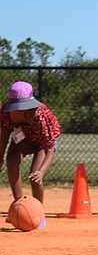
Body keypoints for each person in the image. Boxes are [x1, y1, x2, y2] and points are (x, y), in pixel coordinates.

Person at [1, 82, 60, 216]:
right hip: (24, 137)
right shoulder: (7, 113)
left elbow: (49, 150)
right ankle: (18, 206)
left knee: (34, 175)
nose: (13, 114)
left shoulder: (42, 117)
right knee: (11, 161)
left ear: (27, 111)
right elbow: (4, 133)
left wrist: (41, 172)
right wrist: (0, 157)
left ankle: (38, 211)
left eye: (17, 111)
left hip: (42, 143)